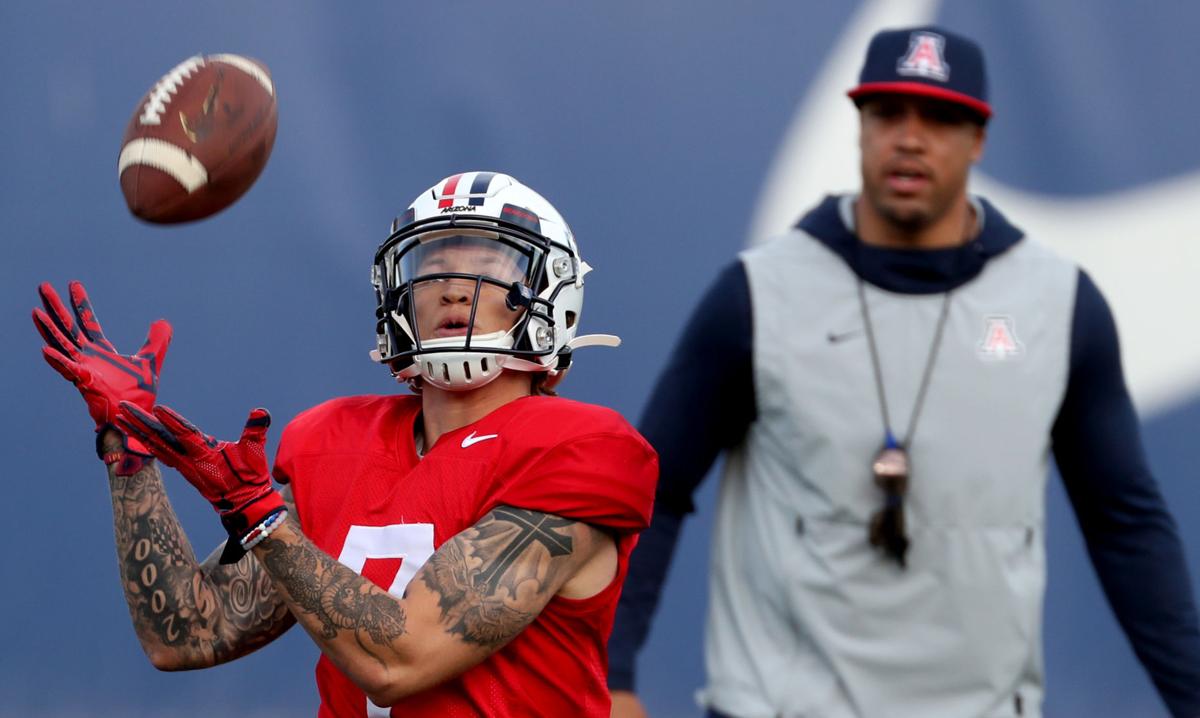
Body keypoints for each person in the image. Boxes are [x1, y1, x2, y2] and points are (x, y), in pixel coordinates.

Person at [608, 26, 1200, 718]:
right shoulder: (760, 295)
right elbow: (648, 491)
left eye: (940, 117)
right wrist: (610, 676)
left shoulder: (1057, 304)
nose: (911, 138)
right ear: (859, 127)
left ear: (979, 140)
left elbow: (1125, 524)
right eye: (888, 113)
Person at [34, 172, 658, 717]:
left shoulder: (577, 451)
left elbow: (399, 661)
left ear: (550, 298)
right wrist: (128, 447)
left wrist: (260, 519)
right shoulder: (337, 443)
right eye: (433, 267)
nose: (452, 287)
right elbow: (185, 632)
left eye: (489, 268)